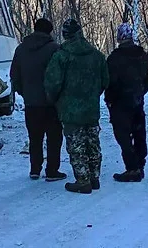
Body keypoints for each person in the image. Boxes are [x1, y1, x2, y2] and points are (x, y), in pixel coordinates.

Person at [44, 19, 109, 194]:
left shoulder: (61, 56)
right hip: (91, 108)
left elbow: (52, 83)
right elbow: (105, 81)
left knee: (76, 145)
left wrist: (56, 100)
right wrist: (92, 94)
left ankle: (83, 180)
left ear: (65, 35)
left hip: (70, 109)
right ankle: (94, 177)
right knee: (93, 143)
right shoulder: (97, 55)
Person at [10, 18, 66, 181]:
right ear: (49, 31)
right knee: (54, 137)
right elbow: (61, 75)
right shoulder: (54, 49)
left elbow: (15, 76)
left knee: (35, 138)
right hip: (51, 103)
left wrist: (25, 93)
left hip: (31, 103)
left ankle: (35, 169)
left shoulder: (20, 50)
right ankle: (52, 171)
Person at [105, 23, 148, 182]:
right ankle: (140, 164)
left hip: (120, 103)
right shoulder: (143, 56)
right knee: (139, 132)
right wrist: (140, 92)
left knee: (123, 136)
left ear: (119, 38)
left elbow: (109, 82)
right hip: (137, 101)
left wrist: (110, 99)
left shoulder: (114, 59)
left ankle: (132, 168)